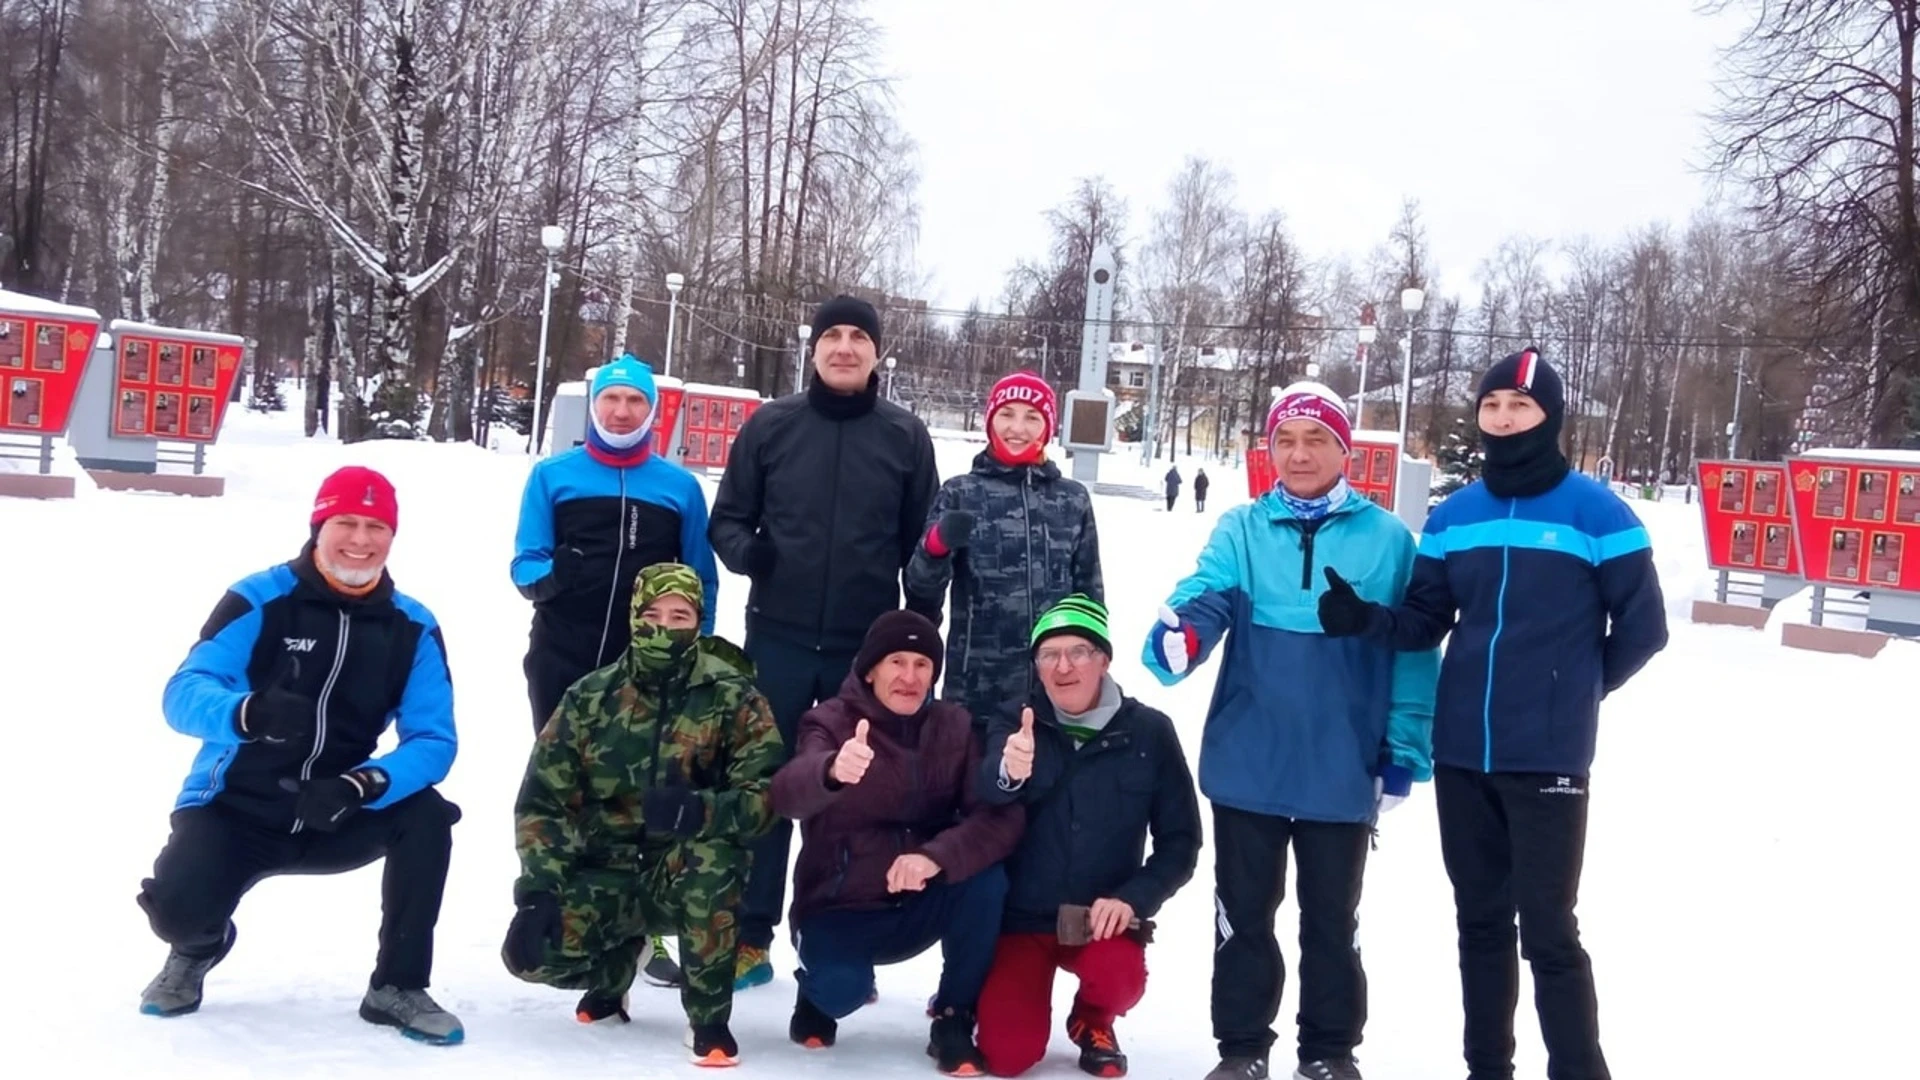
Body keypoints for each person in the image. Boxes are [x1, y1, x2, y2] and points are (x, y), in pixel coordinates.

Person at [1318, 347, 1668, 1080]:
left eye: (1521, 406)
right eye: (1492, 406)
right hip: (1462, 756)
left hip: (1547, 758)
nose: (1504, 419)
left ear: (1551, 416)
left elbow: (1643, 628)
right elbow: (1425, 620)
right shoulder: (1455, 516)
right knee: (1479, 922)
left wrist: (1571, 692)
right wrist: (1364, 619)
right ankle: (1488, 1070)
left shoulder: (1597, 512)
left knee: (1548, 930)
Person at [1146, 382, 1440, 1080]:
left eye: (1317, 439)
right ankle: (1243, 1049)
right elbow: (1205, 595)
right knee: (1243, 916)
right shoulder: (1242, 530)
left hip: (1342, 763)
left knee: (1332, 921)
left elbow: (1416, 651)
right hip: (1250, 759)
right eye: (1286, 439)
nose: (1300, 453)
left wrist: (1402, 752)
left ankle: (1330, 1052)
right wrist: (1182, 637)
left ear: (1345, 449)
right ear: (1269, 448)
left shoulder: (1390, 541)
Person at [135, 466, 464, 1044]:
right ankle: (197, 948)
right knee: (178, 909)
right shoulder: (261, 598)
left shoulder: (413, 625)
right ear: (318, 526)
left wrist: (364, 783)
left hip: (335, 808)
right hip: (236, 808)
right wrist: (247, 712)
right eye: (345, 523)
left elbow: (434, 740)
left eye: (375, 526)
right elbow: (182, 692)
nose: (360, 540)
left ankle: (397, 986)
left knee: (427, 817)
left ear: (392, 537)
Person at [708, 294, 941, 989]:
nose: (845, 347)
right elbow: (728, 521)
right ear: (811, 349)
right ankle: (751, 935)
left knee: (854, 795)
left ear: (877, 353)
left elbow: (921, 551)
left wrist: (921, 643)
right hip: (775, 640)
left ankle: (842, 937)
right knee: (773, 782)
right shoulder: (771, 427)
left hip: (859, 656)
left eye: (858, 337)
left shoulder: (905, 437)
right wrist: (753, 556)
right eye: (832, 335)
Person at [502, 563, 784, 1067]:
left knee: (711, 861)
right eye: (652, 614)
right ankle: (613, 972)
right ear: (633, 617)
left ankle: (709, 1020)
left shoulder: (733, 695)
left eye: (680, 615)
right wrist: (538, 892)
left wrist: (701, 811)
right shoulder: (591, 697)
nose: (664, 626)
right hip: (605, 873)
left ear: (698, 620)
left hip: (683, 875)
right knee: (531, 956)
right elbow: (544, 800)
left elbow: (767, 797)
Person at [510, 353, 715, 986]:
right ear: (594, 406)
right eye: (611, 401)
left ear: (652, 411)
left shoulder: (677, 487)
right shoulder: (554, 476)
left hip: (646, 667)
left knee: (644, 794)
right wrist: (551, 581)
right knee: (565, 788)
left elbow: (700, 578)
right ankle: (564, 912)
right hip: (564, 657)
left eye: (634, 402)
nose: (622, 412)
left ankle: (649, 930)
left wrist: (693, 650)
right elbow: (523, 563)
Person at [769, 610, 1025, 1077]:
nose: (910, 677)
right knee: (842, 989)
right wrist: (829, 771)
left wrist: (934, 857)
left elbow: (996, 819)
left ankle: (953, 1016)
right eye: (896, 662)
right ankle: (816, 994)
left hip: (918, 901)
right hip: (839, 907)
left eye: (922, 665)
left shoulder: (954, 726)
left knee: (986, 880)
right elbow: (786, 794)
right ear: (870, 669)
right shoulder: (828, 721)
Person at [975, 596, 1200, 1079]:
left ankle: (1092, 1019)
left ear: (1104, 659)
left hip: (1101, 922)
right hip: (1022, 919)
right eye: (1048, 655)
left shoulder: (1150, 733)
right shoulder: (1015, 721)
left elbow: (1181, 842)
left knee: (1119, 977)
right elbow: (986, 791)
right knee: (1007, 1055)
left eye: (1078, 651)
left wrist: (1132, 900)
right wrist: (1008, 772)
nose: (1063, 667)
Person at [904, 370, 1102, 728]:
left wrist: (1091, 667)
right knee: (976, 783)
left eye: (1032, 417)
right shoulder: (960, 492)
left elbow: (1090, 595)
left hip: (1056, 686)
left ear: (1048, 426)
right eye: (1007, 414)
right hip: (976, 691)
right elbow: (921, 591)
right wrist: (935, 546)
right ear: (990, 420)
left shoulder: (1072, 500)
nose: (1017, 427)